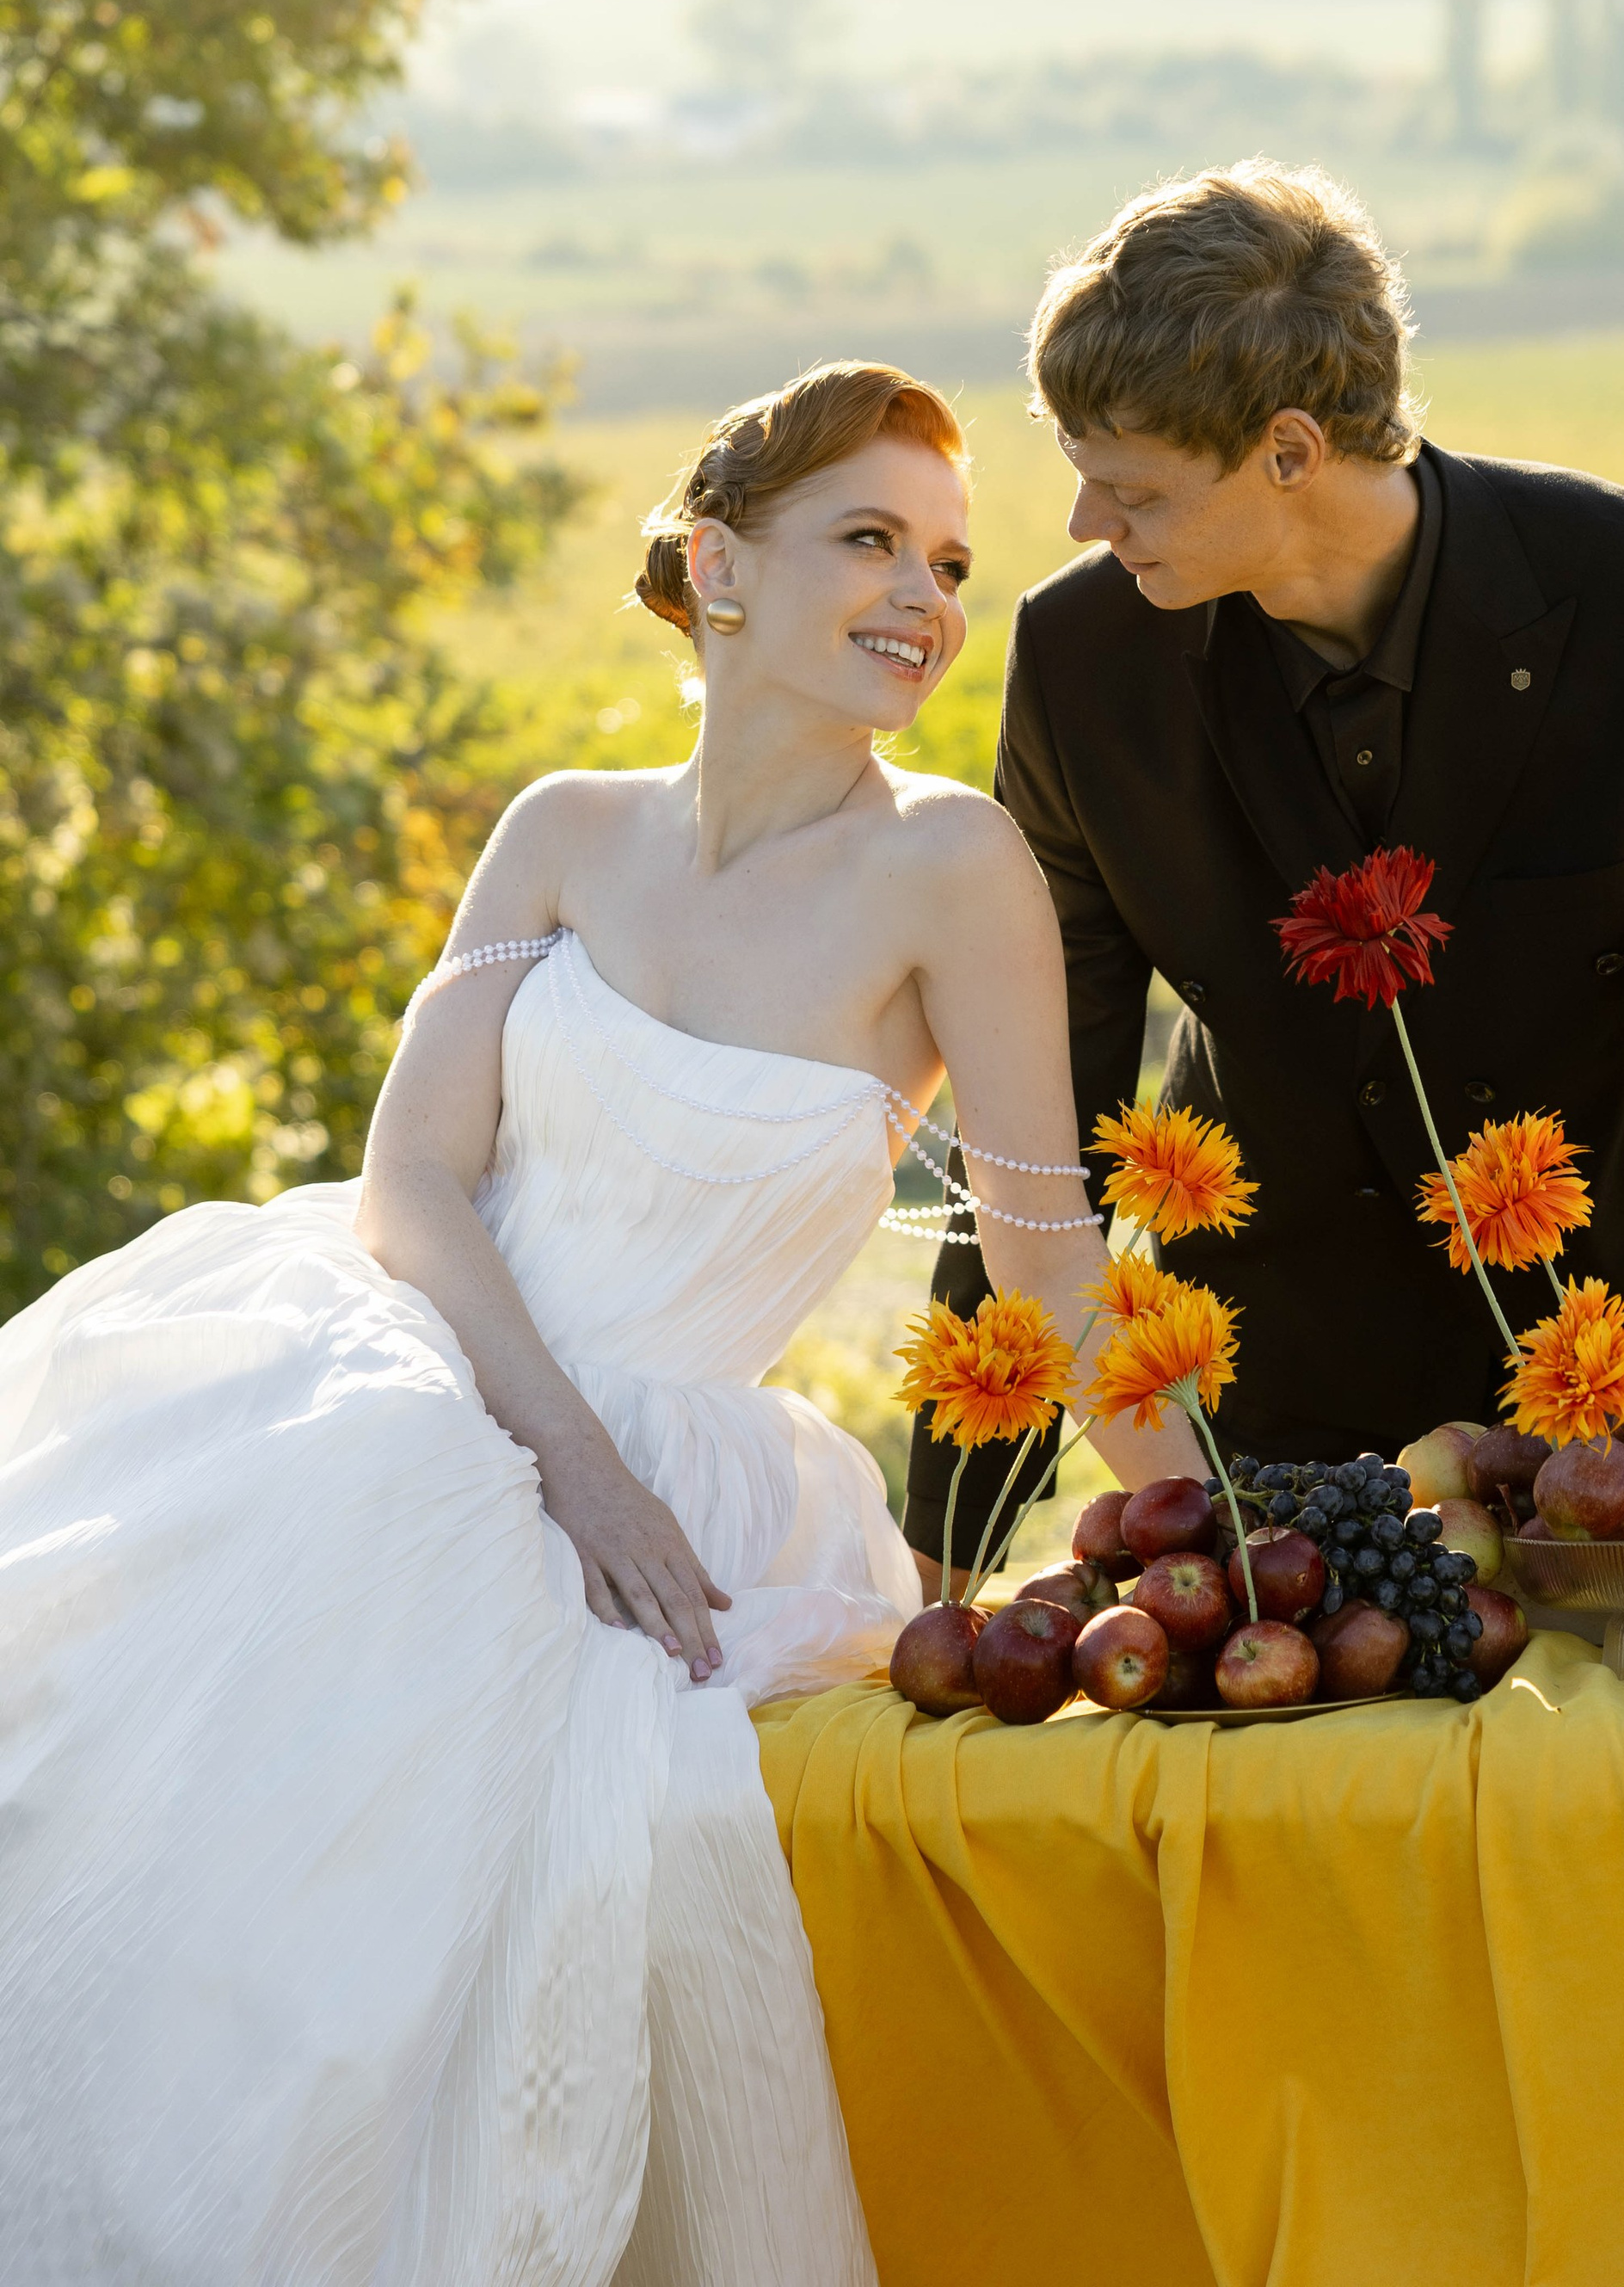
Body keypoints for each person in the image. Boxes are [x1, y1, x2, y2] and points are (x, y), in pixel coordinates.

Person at [0, 359, 1201, 2287]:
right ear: (718, 568)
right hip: (418, 1359)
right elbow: (411, 1184)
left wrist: (1237, 1528)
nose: (924, 597)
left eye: (952, 562)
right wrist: (558, 1459)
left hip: (682, 1452)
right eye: (869, 541)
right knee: (145, 1762)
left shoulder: (950, 865)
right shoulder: (563, 828)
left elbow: (1055, 1267)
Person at [905, 164, 1624, 1583]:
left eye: (1129, 486)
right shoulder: (1086, 665)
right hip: (1277, 1416)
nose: (1086, 524)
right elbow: (1040, 1108)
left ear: (1288, 450)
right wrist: (945, 1544)